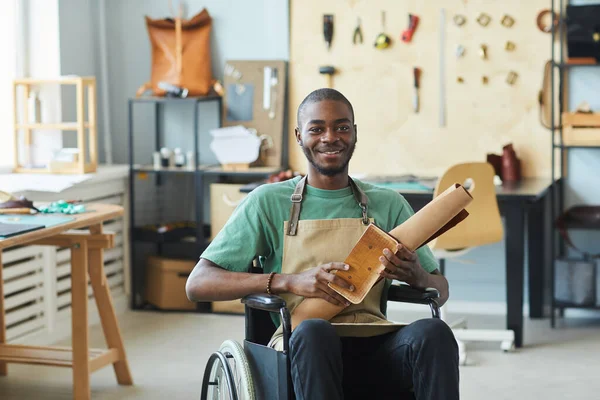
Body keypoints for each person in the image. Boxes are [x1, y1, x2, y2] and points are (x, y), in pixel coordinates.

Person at [186, 88, 459, 400]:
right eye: (317, 128)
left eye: (342, 127)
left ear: (354, 133)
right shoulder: (267, 202)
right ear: (299, 136)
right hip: (301, 346)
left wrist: (417, 276)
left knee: (434, 333)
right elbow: (198, 284)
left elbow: (441, 289)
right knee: (316, 332)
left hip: (375, 344)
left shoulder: (388, 203)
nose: (331, 137)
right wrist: (290, 282)